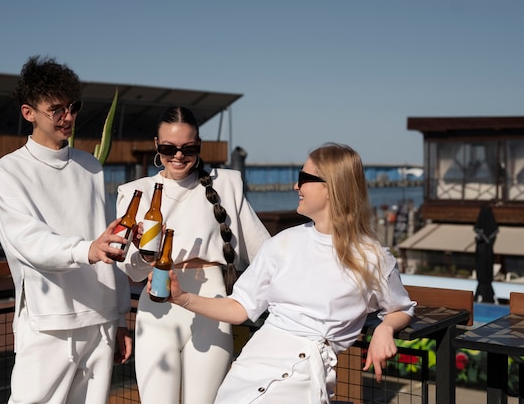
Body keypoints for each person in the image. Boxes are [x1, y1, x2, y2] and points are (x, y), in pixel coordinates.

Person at [155, 142, 416, 404]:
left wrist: (385, 329)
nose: (295, 186)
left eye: (303, 179)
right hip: (249, 371)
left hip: (303, 380)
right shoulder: (283, 243)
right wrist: (182, 298)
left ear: (331, 187)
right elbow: (240, 308)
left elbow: (400, 308)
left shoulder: (372, 257)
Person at [0, 55, 132, 404]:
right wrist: (87, 250)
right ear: (29, 113)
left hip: (100, 320)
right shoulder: (7, 172)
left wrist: (120, 316)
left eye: (72, 107)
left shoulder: (91, 166)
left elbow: (106, 241)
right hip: (46, 320)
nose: (67, 117)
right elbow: (29, 241)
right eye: (56, 109)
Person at [115, 106, 271, 404]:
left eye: (188, 147)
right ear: (156, 145)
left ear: (199, 144)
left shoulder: (226, 184)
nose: (178, 155)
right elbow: (131, 272)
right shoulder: (137, 192)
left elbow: (265, 254)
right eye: (168, 147)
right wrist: (144, 255)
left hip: (212, 306)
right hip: (157, 305)